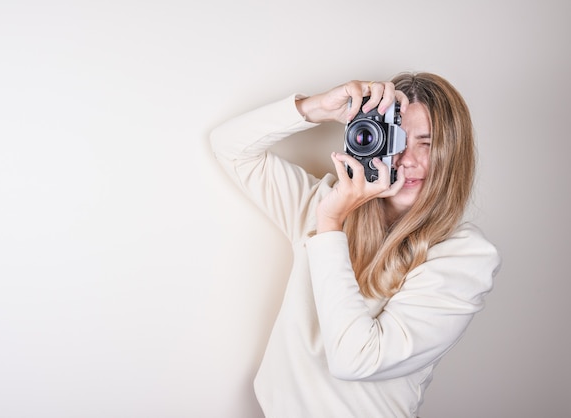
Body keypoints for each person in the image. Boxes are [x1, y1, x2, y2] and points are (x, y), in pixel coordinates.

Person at [209, 72, 501, 418]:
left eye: (428, 143)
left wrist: (331, 224)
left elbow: (356, 359)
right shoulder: (320, 202)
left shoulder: (464, 256)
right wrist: (316, 108)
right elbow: (229, 146)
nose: (407, 159)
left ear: (453, 154)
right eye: (396, 139)